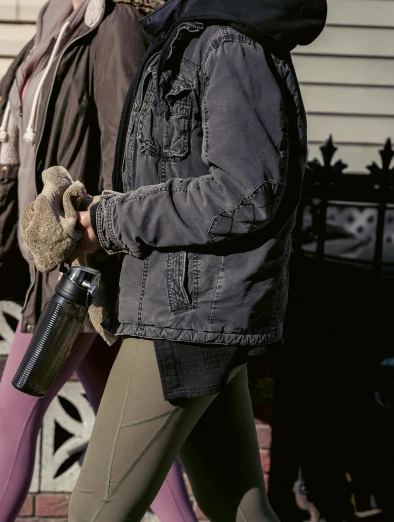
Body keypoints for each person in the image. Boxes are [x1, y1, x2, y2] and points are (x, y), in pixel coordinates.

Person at [64, 0, 327, 520]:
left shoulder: (229, 44)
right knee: (236, 507)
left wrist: (113, 220)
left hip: (186, 316)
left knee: (95, 512)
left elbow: (244, 192)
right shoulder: (190, 35)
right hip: (192, 309)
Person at [0, 1, 198, 521]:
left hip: (79, 266)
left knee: (12, 415)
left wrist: (96, 246)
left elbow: (128, 150)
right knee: (127, 429)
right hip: (54, 262)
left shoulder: (115, 23)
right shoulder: (57, 23)